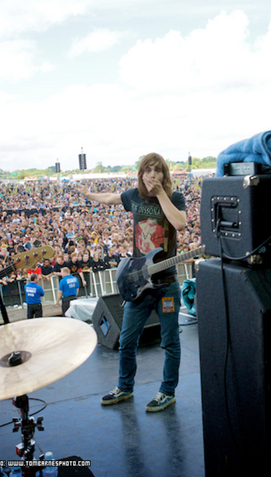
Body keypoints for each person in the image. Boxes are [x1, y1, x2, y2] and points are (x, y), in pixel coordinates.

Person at [79, 152, 186, 412]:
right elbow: (111, 199)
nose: (151, 175)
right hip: (139, 284)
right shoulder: (133, 196)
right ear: (141, 174)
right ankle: (125, 387)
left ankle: (167, 391)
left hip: (167, 283)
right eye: (147, 170)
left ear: (164, 174)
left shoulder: (174, 197)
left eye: (157, 170)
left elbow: (180, 223)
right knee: (127, 340)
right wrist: (89, 194)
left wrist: (161, 194)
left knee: (170, 341)